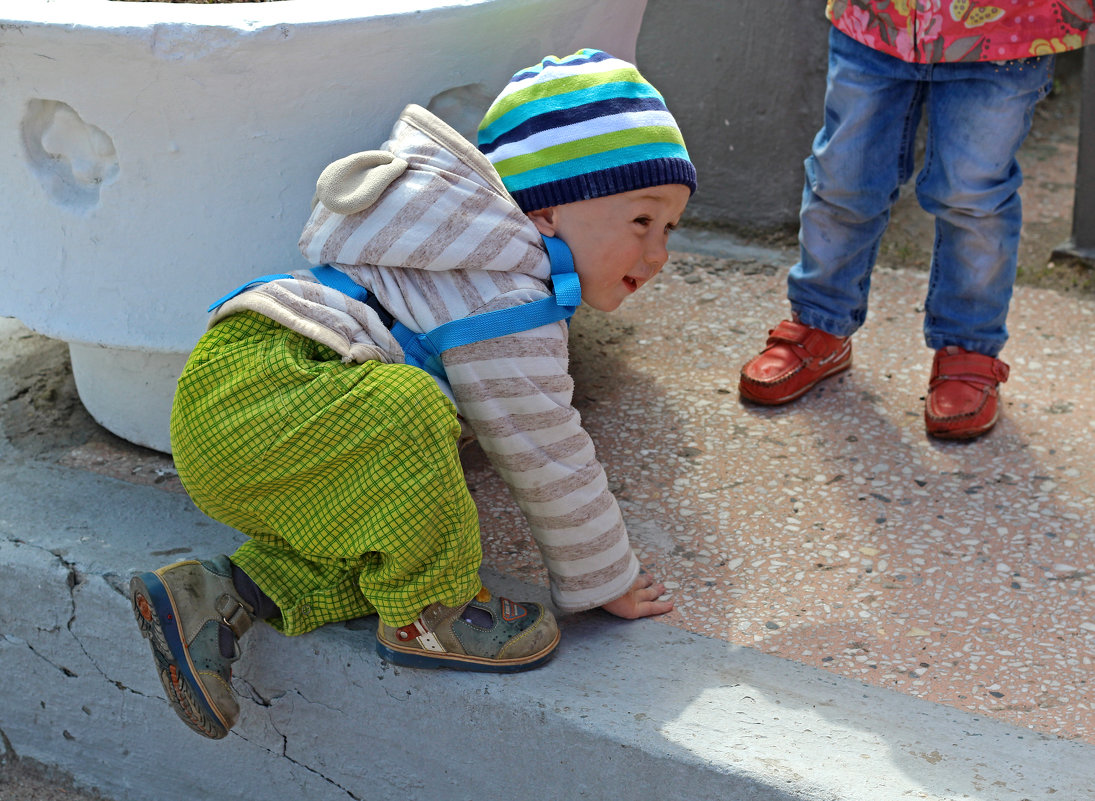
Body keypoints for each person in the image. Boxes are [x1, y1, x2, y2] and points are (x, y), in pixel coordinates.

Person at [130, 49, 696, 740]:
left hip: (236, 400)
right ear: (547, 211)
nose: (659, 252)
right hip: (275, 388)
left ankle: (212, 595)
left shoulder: (455, 247)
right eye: (641, 221)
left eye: (669, 227)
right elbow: (545, 452)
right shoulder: (508, 292)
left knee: (377, 550)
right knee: (412, 413)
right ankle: (431, 614)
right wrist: (606, 577)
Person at [739, 1, 1094, 439]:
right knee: (844, 178)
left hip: (1005, 28)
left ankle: (969, 347)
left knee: (972, 195)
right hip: (877, 19)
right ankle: (821, 320)